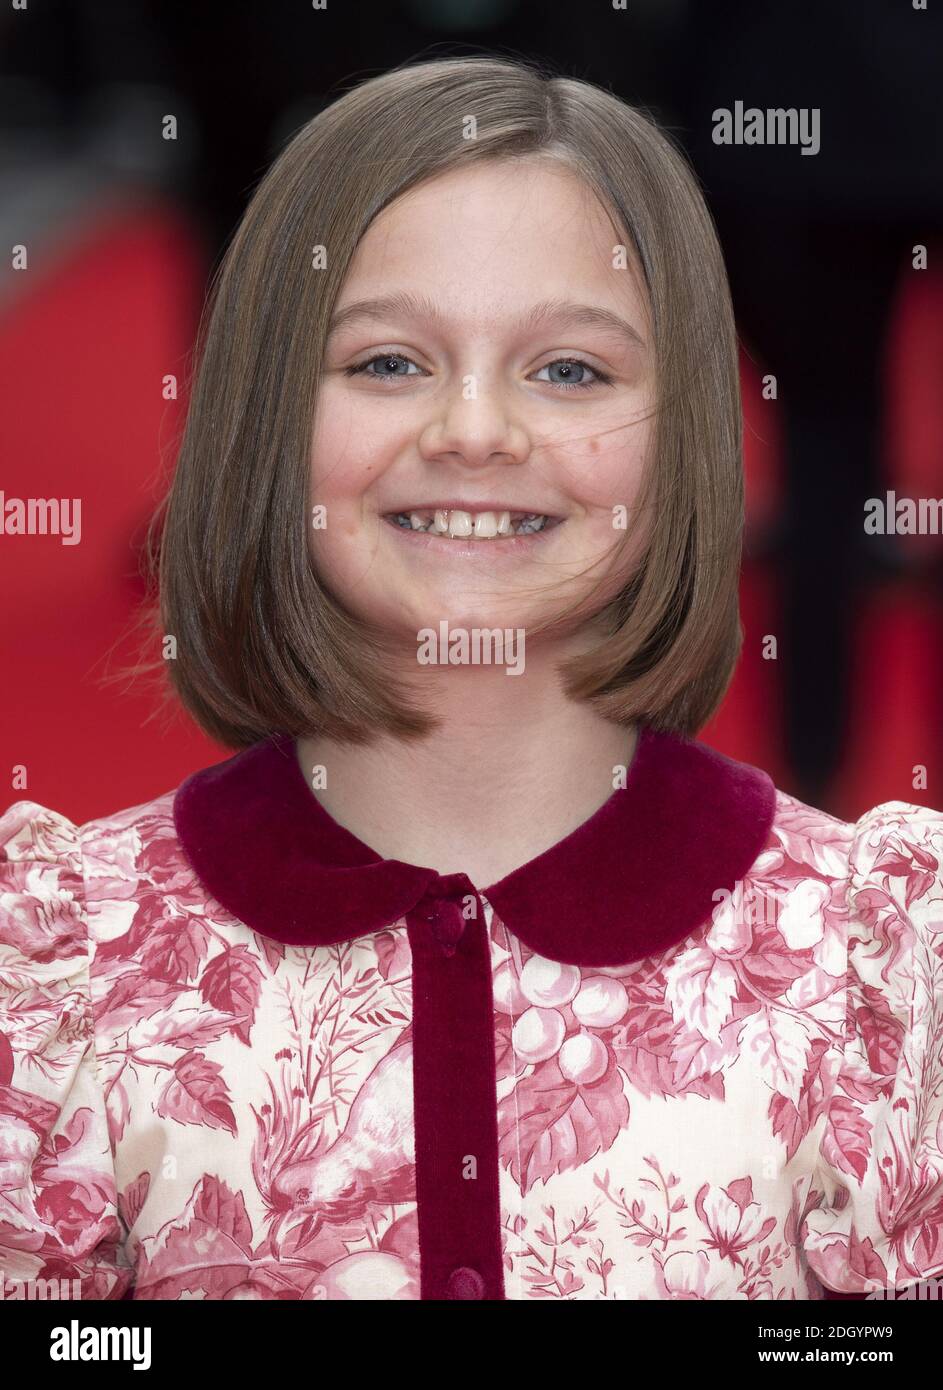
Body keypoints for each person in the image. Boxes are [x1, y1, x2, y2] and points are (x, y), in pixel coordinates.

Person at [1, 55, 941, 1302]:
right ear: (263, 421)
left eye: (570, 371)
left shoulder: (878, 974)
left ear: (685, 442)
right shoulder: (59, 974)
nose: (476, 430)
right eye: (388, 362)